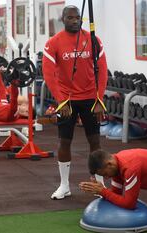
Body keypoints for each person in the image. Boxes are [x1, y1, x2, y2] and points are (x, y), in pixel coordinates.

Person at [42, 5, 108, 200]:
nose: (75, 20)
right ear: (63, 19)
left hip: (90, 98)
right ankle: (64, 186)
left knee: (95, 141)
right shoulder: (53, 43)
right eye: (70, 18)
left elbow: (103, 70)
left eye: (77, 17)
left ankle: (99, 183)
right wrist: (62, 101)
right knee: (65, 141)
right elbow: (49, 74)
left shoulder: (93, 40)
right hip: (67, 100)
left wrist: (99, 99)